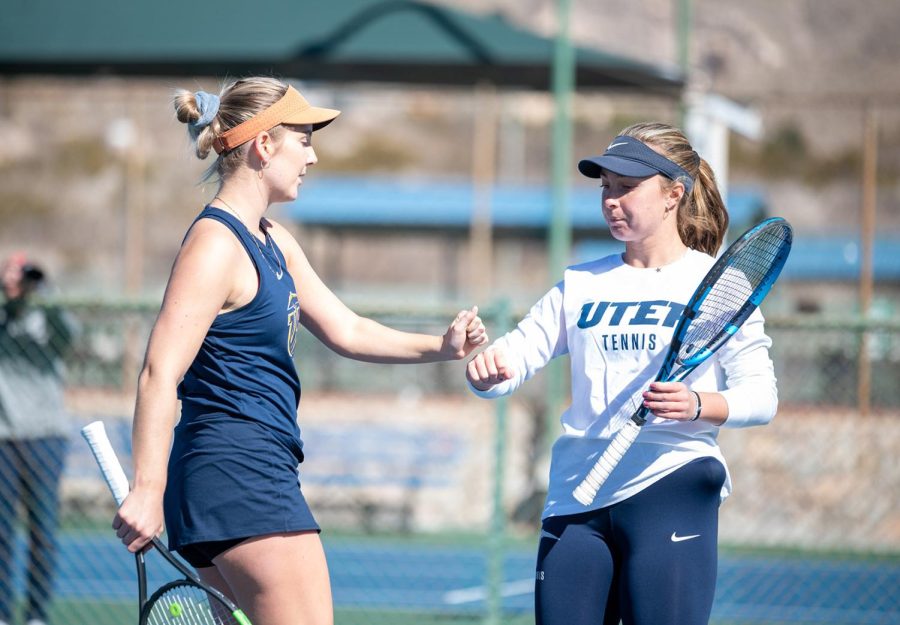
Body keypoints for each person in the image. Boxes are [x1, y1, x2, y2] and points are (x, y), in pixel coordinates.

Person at [110, 76, 488, 625]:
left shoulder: (272, 239)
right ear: (265, 145)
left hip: (251, 473)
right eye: (304, 139)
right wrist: (147, 487)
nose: (312, 155)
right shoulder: (215, 245)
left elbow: (348, 330)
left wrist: (442, 346)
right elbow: (158, 372)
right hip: (239, 475)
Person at [466, 122, 778, 625]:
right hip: (577, 496)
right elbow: (515, 358)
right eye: (605, 187)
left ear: (674, 193)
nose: (611, 200)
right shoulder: (581, 283)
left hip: (672, 481)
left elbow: (761, 396)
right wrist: (488, 370)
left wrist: (699, 405)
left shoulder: (720, 284)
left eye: (627, 186)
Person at [0, 254, 76, 625]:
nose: (14, 277)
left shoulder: (46, 315)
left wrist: (41, 286)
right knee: (1, 535)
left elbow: (66, 337)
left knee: (42, 533)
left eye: (20, 270)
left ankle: (36, 616)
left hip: (45, 436)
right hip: (4, 439)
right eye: (7, 270)